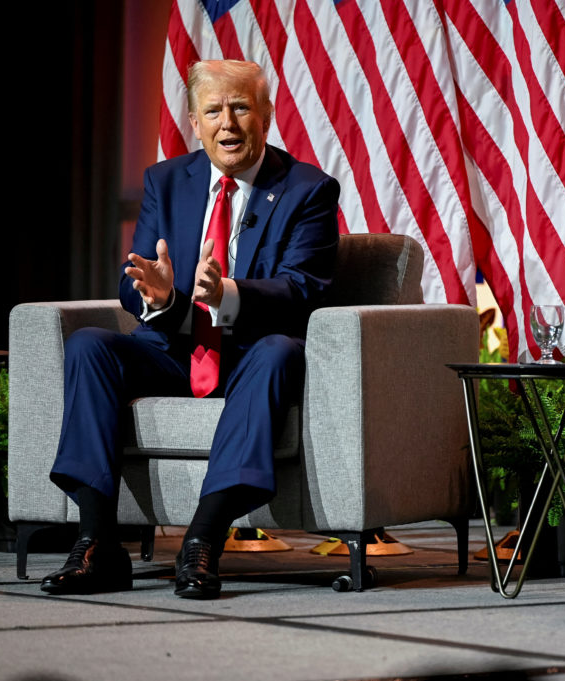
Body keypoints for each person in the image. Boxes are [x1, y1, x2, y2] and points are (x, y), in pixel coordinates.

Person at [40, 60, 340, 600]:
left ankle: (202, 540)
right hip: (176, 351)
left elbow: (302, 289)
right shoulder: (166, 181)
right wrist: (160, 296)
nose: (228, 122)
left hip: (252, 357)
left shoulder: (307, 190)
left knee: (276, 353)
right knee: (89, 345)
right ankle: (96, 543)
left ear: (267, 115)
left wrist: (227, 294)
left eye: (241, 107)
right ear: (195, 122)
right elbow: (137, 280)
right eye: (214, 110)